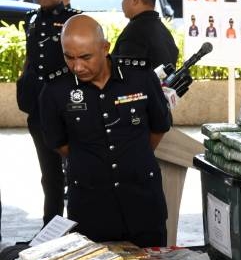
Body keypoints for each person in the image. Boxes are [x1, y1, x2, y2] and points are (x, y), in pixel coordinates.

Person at [39, 15, 172, 247]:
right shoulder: (55, 90)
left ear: (105, 48)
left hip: (143, 204)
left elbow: (158, 127)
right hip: (91, 209)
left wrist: (133, 156)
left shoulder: (140, 77)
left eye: (85, 57)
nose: (77, 66)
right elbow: (59, 144)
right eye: (68, 57)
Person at [17, 0, 80, 226]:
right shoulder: (31, 19)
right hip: (38, 110)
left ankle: (81, 226)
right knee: (49, 175)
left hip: (68, 108)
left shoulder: (73, 20)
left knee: (77, 172)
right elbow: (32, 60)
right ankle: (50, 229)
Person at [113, 0, 179, 72]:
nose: (122, 2)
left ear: (134, 0)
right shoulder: (164, 31)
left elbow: (125, 75)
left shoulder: (134, 33)